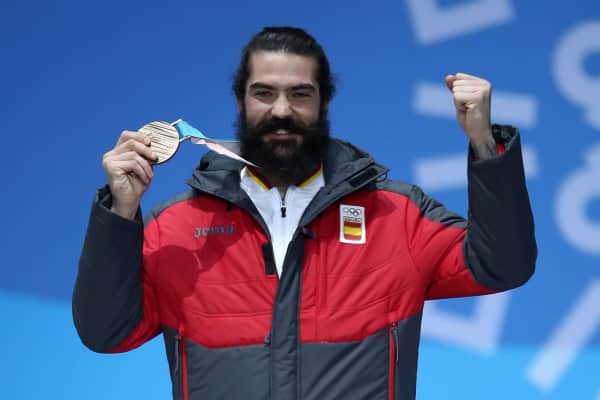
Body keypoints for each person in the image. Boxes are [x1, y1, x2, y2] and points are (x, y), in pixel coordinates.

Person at [73, 26, 536, 400]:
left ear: (323, 104)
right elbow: (106, 333)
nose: (281, 111)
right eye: (264, 93)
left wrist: (484, 145)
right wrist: (120, 211)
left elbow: (502, 265)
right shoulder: (174, 228)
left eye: (299, 94)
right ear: (240, 102)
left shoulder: (394, 215)